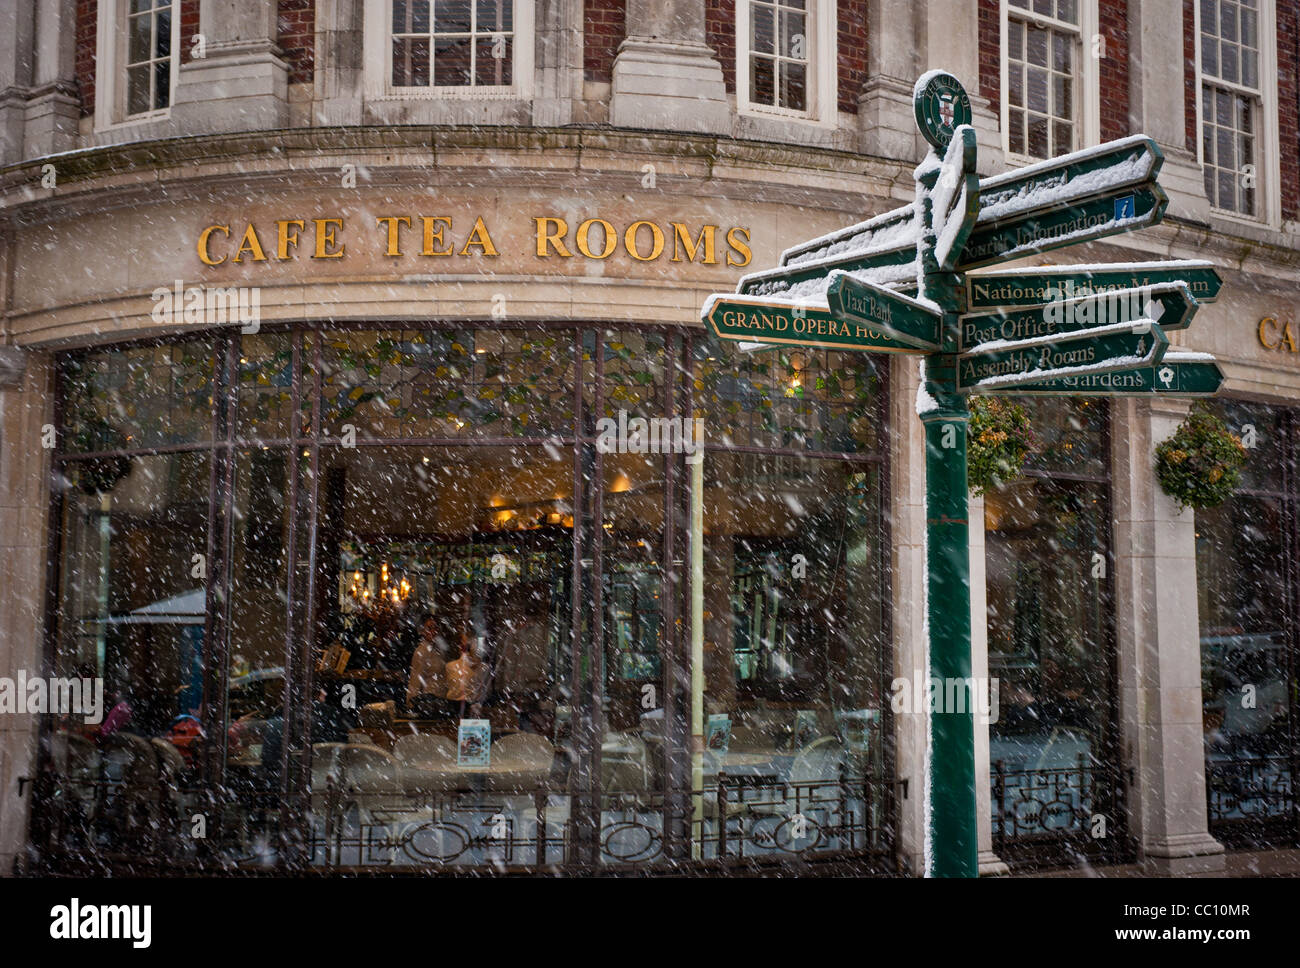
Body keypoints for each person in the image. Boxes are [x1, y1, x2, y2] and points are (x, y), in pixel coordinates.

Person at [406, 612, 449, 718]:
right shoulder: (421, 651)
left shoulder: (438, 650)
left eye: (436, 628)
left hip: (440, 703)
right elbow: (414, 682)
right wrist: (411, 706)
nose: (433, 631)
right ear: (422, 630)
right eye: (430, 628)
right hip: (428, 705)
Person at [444, 634, 490, 719]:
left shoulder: (484, 668)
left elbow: (485, 692)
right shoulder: (451, 666)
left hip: (473, 709)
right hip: (456, 708)